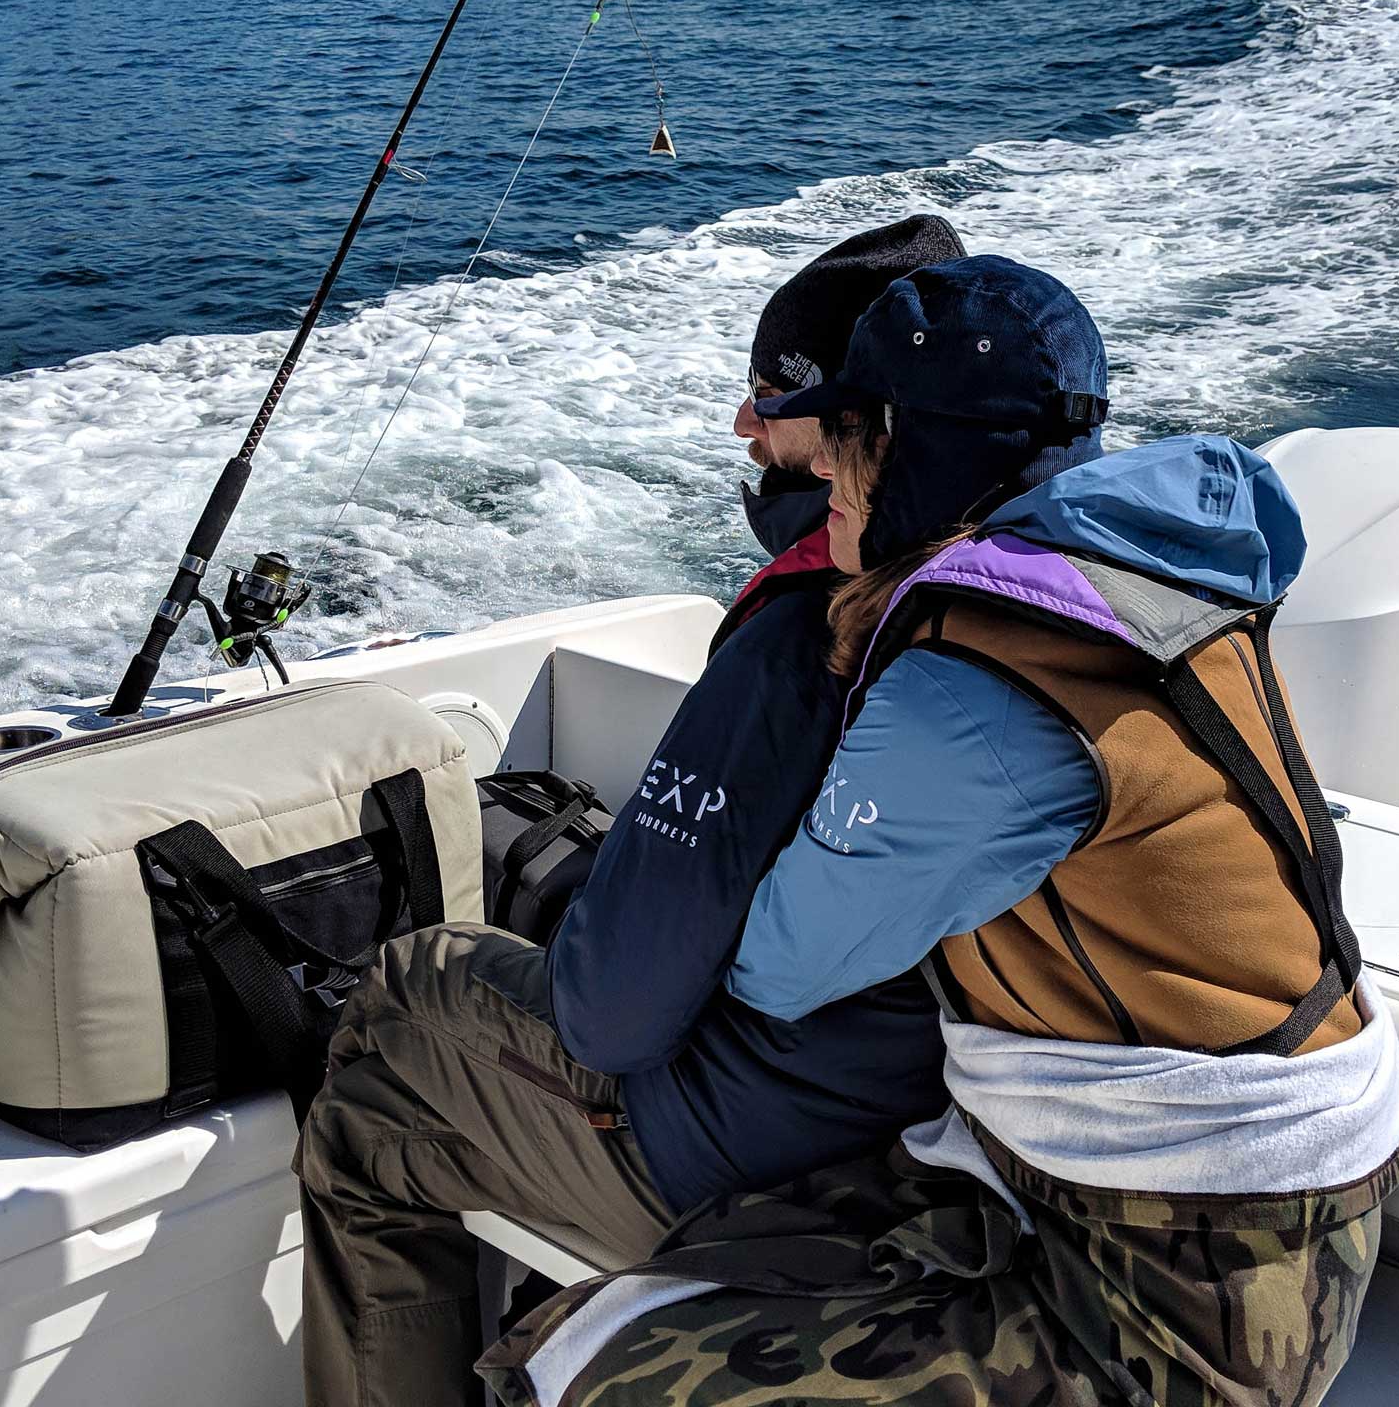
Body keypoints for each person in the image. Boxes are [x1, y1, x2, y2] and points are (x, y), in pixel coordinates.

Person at [482, 256, 1399, 1407]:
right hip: (1226, 1184)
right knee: (638, 1295)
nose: (817, 458)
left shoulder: (971, 689)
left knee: (592, 1377)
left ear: (915, 446)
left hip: (1185, 1281)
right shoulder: (1144, 578)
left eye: (851, 431)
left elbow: (781, 963)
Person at [295, 214, 967, 1407]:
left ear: (858, 426)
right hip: (933, 1121)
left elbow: (609, 1020)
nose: (741, 425)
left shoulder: (805, 633)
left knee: (386, 1059)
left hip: (770, 1141)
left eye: (771, 393)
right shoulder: (1040, 596)